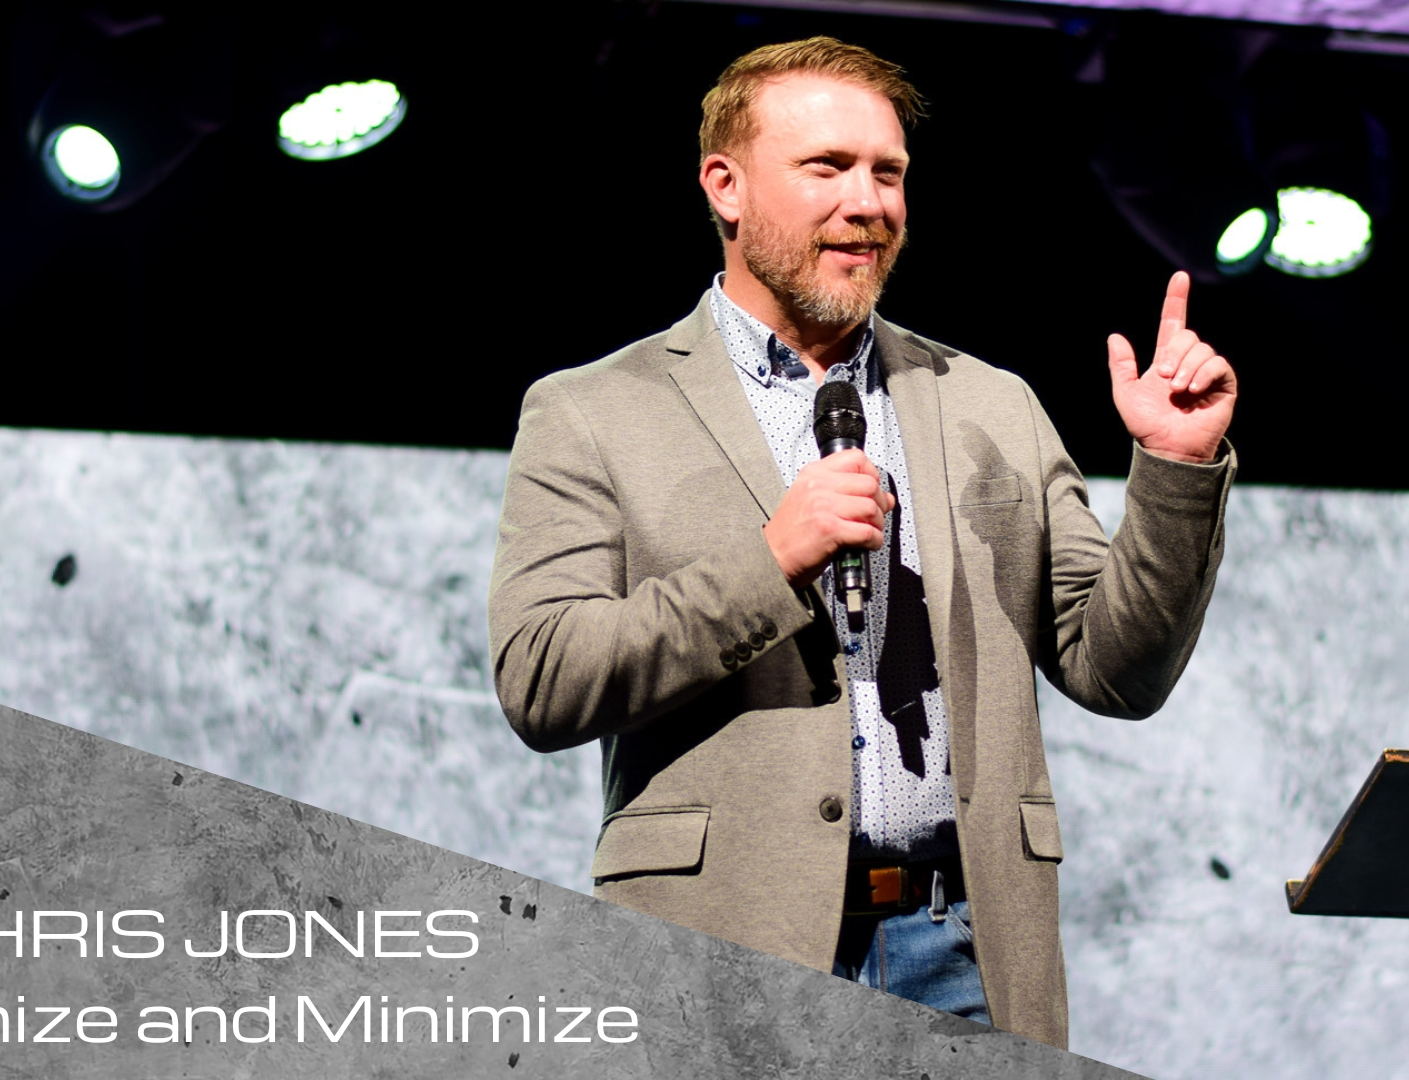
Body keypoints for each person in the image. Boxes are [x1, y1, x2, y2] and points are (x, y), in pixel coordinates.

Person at [487, 36, 1235, 1049]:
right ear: (726, 186)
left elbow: (1118, 671)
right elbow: (543, 681)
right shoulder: (593, 411)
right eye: (827, 167)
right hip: (720, 951)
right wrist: (770, 562)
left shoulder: (990, 404)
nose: (869, 202)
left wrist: (1176, 471)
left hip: (959, 953)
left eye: (888, 172)